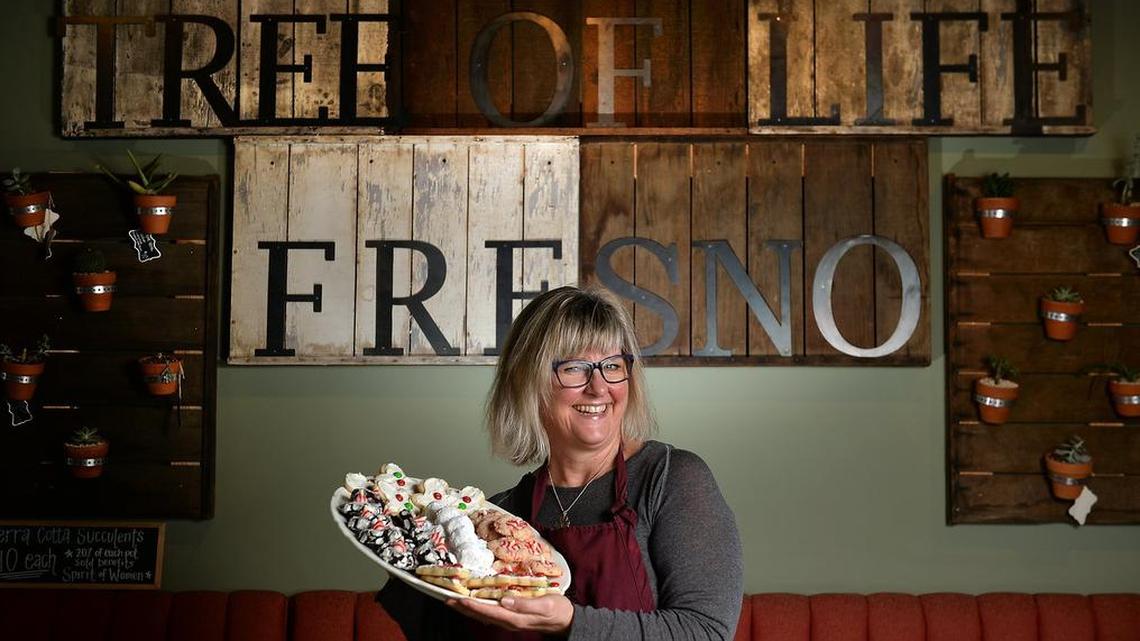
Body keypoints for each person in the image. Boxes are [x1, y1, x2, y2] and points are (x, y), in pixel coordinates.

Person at [380, 285, 743, 640]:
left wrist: (572, 622)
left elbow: (706, 631)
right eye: (574, 368)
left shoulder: (670, 480)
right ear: (529, 382)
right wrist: (412, 539)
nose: (599, 388)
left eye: (612, 365)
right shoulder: (499, 517)